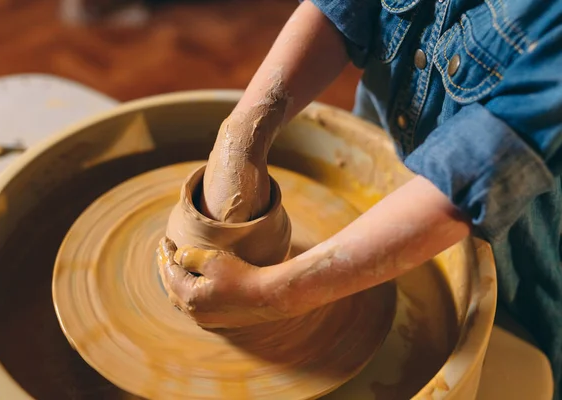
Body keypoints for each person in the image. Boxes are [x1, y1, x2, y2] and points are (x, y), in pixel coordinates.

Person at [159, 0, 562, 396]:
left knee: (524, 355)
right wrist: (242, 138)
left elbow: (472, 174)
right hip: (387, 152)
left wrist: (270, 296)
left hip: (522, 248)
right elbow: (342, 8)